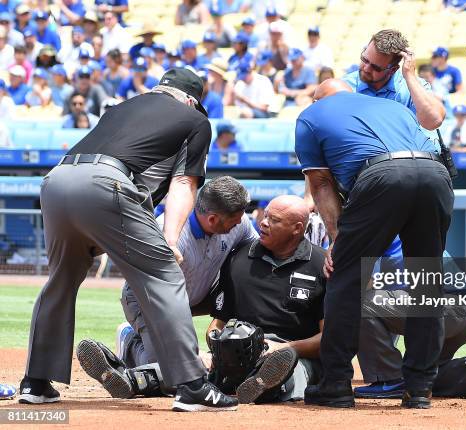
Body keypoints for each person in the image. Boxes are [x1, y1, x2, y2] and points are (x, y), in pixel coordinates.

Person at [20, 68, 239, 412]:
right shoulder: (194, 119)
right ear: (190, 100)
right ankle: (193, 386)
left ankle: (35, 382)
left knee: (61, 281)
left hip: (57, 179)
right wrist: (169, 239)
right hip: (106, 181)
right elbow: (184, 184)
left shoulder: (121, 108)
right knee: (165, 275)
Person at [295, 79, 453, 409]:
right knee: (426, 281)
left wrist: (338, 239)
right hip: (435, 173)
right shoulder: (392, 106)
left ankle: (336, 384)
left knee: (347, 277)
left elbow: (321, 184)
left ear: (317, 97)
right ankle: (420, 388)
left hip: (382, 176)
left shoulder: (311, 115)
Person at [76, 177, 257, 398]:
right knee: (176, 376)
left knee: (188, 368)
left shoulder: (239, 224)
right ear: (212, 218)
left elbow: (253, 252)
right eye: (234, 221)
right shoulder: (166, 234)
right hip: (151, 300)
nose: (240, 223)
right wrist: (192, 355)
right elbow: (161, 301)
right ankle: (130, 342)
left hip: (200, 294)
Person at [208, 195, 326, 403]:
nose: (263, 222)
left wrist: (285, 348)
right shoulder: (238, 258)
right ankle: (141, 378)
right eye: (266, 215)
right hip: (240, 351)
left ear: (297, 228)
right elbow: (219, 321)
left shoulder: (322, 265)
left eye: (275, 220)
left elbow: (330, 338)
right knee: (191, 365)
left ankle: (262, 385)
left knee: (293, 372)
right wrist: (217, 346)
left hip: (294, 354)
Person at [343, 29, 445, 132]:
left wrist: (409, 76)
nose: (366, 69)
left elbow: (433, 121)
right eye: (364, 60)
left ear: (392, 70)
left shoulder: (413, 87)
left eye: (375, 67)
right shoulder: (344, 86)